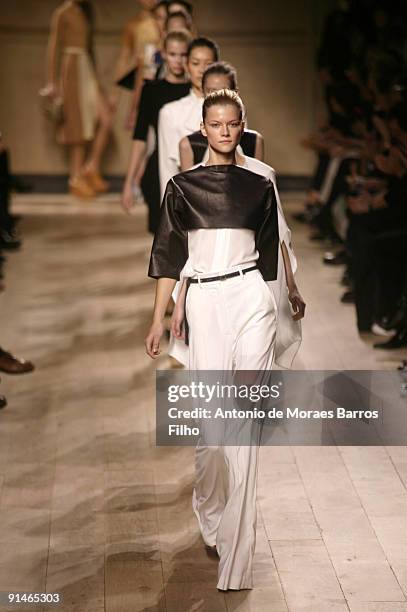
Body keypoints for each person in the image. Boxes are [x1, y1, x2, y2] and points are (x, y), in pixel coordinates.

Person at [145, 90, 305, 591]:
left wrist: (289, 295)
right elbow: (169, 257)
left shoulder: (260, 185)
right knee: (215, 430)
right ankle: (211, 507)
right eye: (216, 125)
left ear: (242, 126)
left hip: (250, 297)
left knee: (245, 426)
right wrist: (162, 315)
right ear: (203, 128)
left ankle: (238, 558)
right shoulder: (182, 187)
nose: (225, 132)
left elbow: (272, 250)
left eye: (233, 124)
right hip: (207, 302)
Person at [121, 30, 191, 232]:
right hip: (157, 170)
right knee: (161, 240)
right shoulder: (151, 90)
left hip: (189, 170)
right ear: (164, 54)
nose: (178, 60)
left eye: (183, 54)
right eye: (172, 54)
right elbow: (140, 137)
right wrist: (128, 183)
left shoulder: (195, 91)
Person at [44, 0, 113, 198]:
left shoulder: (86, 12)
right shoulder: (62, 13)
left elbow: (89, 49)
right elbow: (53, 46)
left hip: (86, 68)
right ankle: (75, 177)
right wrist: (52, 82)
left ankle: (90, 167)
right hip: (71, 68)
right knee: (77, 124)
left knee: (105, 118)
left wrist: (98, 83)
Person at [158, 36, 219, 196]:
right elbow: (167, 167)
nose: (201, 70)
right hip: (187, 197)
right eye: (195, 63)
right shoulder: (170, 112)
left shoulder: (233, 108)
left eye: (208, 64)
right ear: (186, 65)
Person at [179, 61, 264, 169]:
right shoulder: (189, 144)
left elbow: (258, 180)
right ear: (202, 92)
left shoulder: (254, 141)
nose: (218, 95)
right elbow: (187, 183)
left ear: (236, 93)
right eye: (211, 91)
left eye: (224, 90)